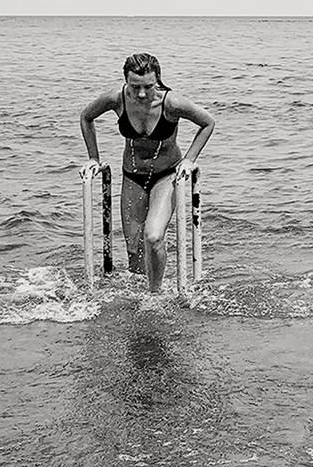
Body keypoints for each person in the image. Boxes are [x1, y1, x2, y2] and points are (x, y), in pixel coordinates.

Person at [78, 52, 217, 293]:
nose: (141, 93)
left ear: (158, 81)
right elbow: (86, 116)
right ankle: (138, 296)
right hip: (132, 176)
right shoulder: (117, 99)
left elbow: (208, 122)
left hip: (166, 175)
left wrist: (189, 160)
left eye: (148, 86)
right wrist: (93, 158)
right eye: (135, 86)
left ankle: (155, 294)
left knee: (152, 237)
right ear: (126, 81)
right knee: (133, 248)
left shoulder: (172, 103)